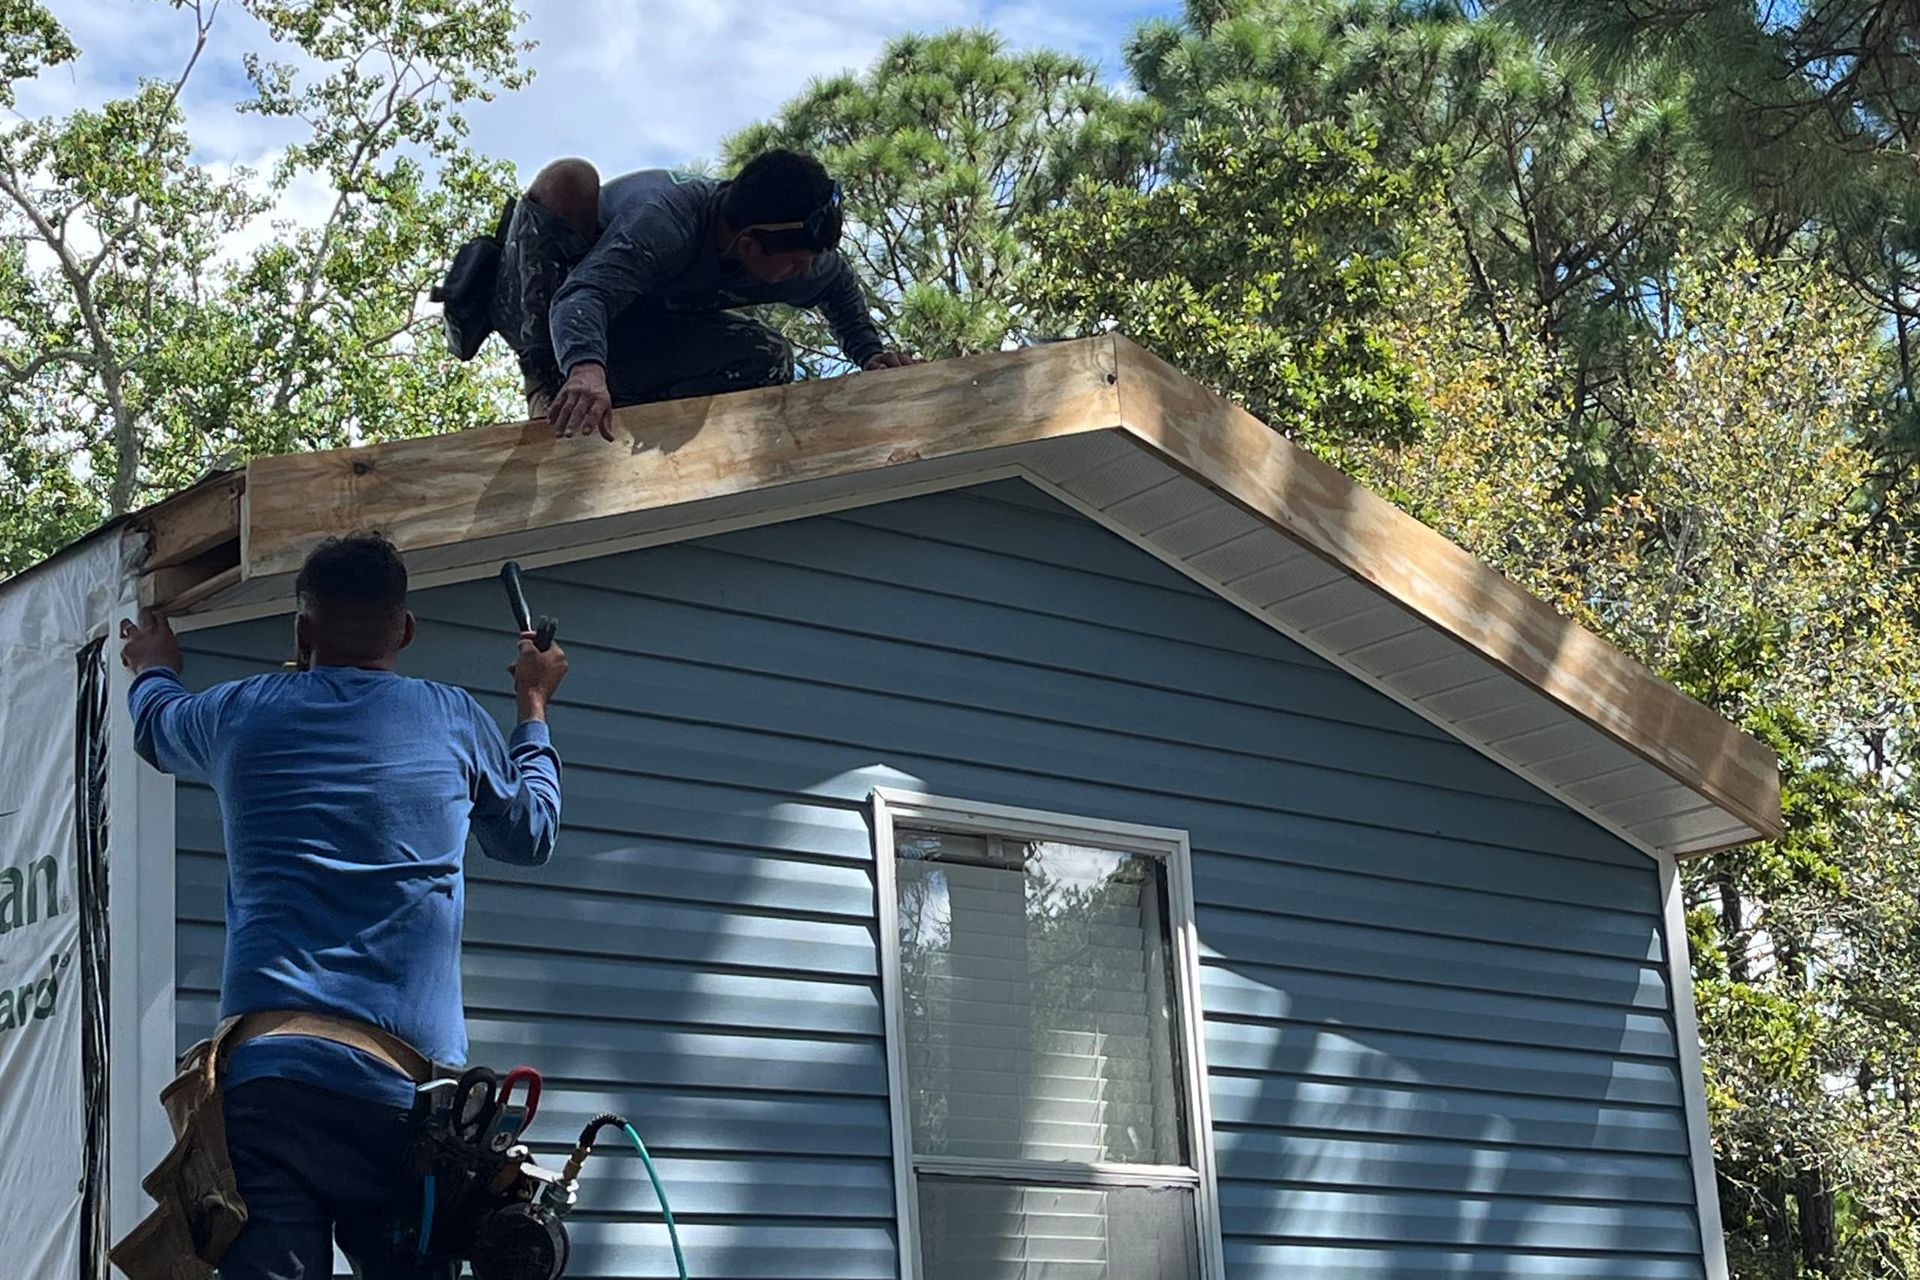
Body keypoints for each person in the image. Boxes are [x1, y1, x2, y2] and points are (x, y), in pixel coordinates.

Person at [118, 533, 569, 1280]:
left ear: (301, 631)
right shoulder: (453, 719)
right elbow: (530, 835)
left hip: (268, 1088)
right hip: (404, 1103)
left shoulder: (239, 714)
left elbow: (154, 725)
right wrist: (533, 704)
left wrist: (154, 667)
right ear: (406, 631)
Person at [489, 147, 917, 441]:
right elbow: (582, 296)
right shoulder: (663, 222)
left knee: (767, 356)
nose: (803, 272)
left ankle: (641, 425)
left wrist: (868, 353)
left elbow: (837, 285)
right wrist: (583, 371)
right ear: (749, 243)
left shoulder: (792, 253)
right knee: (570, 179)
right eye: (796, 263)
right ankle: (552, 383)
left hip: (636, 324)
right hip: (553, 309)